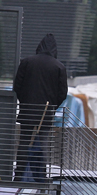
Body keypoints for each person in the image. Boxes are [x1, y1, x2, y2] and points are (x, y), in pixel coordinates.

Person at [13, 33, 68, 183]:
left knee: (24, 142)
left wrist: (24, 102)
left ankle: (18, 175)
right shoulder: (59, 67)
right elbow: (63, 93)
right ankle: (40, 177)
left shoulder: (27, 62)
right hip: (46, 112)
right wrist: (52, 107)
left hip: (27, 111)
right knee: (43, 144)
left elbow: (17, 86)